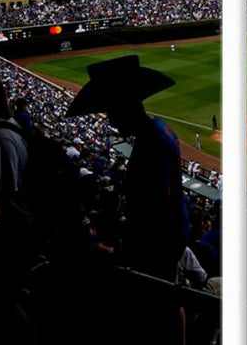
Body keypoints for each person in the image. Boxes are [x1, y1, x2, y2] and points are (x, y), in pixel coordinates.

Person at [66, 54, 185, 280]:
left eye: (111, 111)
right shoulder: (158, 129)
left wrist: (122, 250)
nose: (110, 121)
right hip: (167, 241)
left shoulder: (151, 142)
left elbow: (158, 205)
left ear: (126, 107)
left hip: (157, 250)